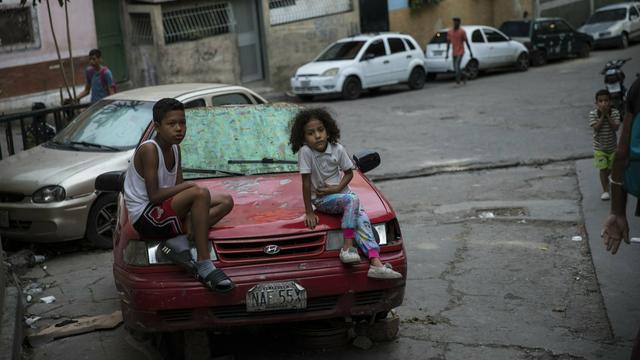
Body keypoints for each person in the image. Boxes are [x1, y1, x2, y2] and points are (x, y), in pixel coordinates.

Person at [123, 98, 235, 292]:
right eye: (171, 124)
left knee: (226, 201)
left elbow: (177, 187)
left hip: (164, 210)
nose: (179, 129)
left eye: (182, 123)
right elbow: (155, 196)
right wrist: (191, 187)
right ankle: (204, 263)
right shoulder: (150, 149)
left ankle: (186, 231)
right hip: (146, 217)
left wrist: (188, 190)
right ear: (157, 126)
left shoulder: (175, 148)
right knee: (200, 193)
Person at [289, 108, 402, 280]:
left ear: (328, 130)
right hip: (322, 199)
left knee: (363, 222)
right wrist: (309, 211)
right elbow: (305, 182)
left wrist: (336, 188)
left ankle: (376, 263)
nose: (317, 136)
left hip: (344, 198)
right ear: (303, 137)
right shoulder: (306, 152)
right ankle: (347, 247)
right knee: (353, 200)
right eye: (311, 133)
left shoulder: (338, 149)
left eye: (320, 130)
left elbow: (349, 173)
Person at [590, 89, 621, 201]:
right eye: (601, 101)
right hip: (599, 147)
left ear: (610, 102)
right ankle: (605, 190)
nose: (604, 103)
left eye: (606, 100)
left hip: (612, 147)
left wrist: (608, 115)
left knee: (612, 168)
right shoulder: (593, 114)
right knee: (603, 169)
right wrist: (602, 116)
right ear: (596, 103)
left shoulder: (615, 113)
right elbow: (596, 128)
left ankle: (608, 179)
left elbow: (616, 127)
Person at [445, 17, 474, 85]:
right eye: (454, 22)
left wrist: (470, 52)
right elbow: (448, 43)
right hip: (454, 52)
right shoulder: (450, 32)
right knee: (455, 68)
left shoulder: (462, 31)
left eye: (457, 22)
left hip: (461, 51)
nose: (455, 23)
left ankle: (458, 80)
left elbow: (466, 42)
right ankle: (465, 75)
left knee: (457, 66)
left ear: (459, 23)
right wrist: (446, 53)